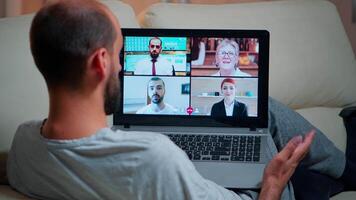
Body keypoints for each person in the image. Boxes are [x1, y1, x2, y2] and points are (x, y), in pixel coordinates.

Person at [6, 0, 355, 200]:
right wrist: (274, 185)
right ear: (100, 62)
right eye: (120, 54)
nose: (125, 67)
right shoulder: (152, 156)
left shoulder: (22, 144)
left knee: (266, 112)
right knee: (309, 175)